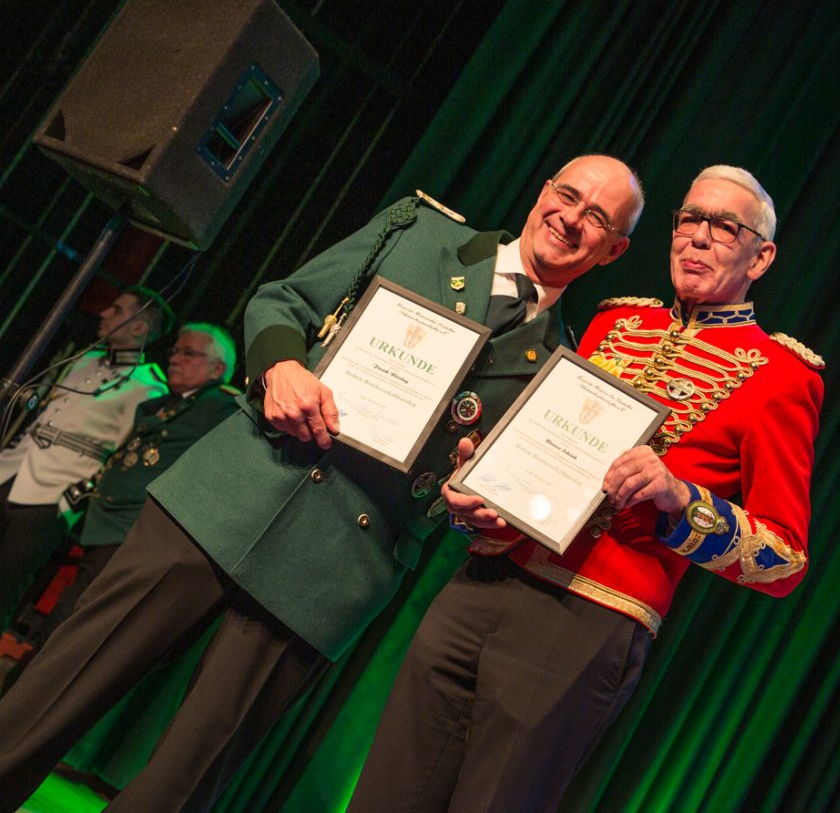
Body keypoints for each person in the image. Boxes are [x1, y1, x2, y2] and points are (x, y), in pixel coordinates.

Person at [0, 154, 643, 813]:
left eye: (597, 218)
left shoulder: (559, 370)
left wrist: (469, 506)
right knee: (55, 690)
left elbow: (473, 503)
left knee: (184, 780)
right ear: (543, 191)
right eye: (567, 195)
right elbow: (285, 300)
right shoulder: (421, 231)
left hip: (336, 562)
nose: (571, 218)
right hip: (232, 488)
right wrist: (279, 365)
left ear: (613, 249)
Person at [347, 165, 824, 812]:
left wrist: (681, 500)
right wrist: (482, 494)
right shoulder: (614, 323)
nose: (699, 237)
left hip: (590, 618)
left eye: (724, 226)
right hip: (486, 580)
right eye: (690, 219)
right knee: (384, 791)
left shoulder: (781, 377)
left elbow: (786, 558)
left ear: (760, 255)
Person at [35, 323, 240, 639]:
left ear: (218, 368)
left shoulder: (221, 406)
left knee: (73, 621)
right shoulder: (160, 405)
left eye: (189, 353)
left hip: (135, 531)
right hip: (104, 523)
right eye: (175, 351)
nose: (175, 359)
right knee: (67, 614)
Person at [0, 287, 169, 630]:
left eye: (117, 310)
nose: (105, 313)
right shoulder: (85, 359)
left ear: (139, 327)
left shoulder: (150, 387)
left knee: (4, 586)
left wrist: (70, 501)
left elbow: (123, 455)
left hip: (51, 495)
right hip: (11, 469)